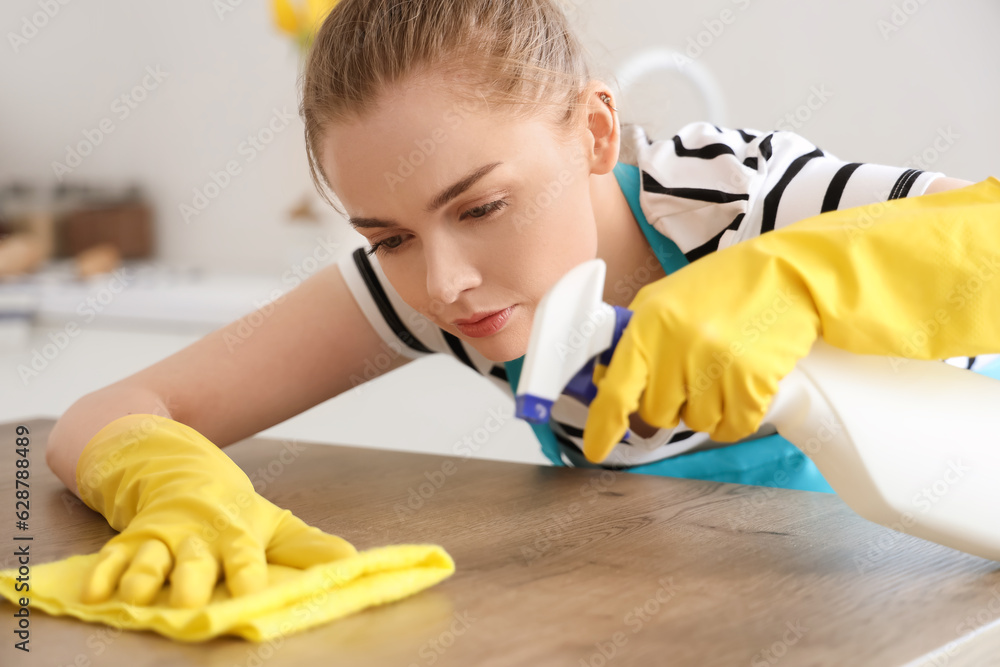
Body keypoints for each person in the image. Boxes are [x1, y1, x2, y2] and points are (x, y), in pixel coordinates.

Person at [44, 0, 999, 609]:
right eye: (388, 235)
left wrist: (794, 278)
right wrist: (176, 489)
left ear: (593, 131)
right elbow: (103, 415)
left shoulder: (732, 198)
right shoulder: (428, 287)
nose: (445, 281)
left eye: (484, 206)